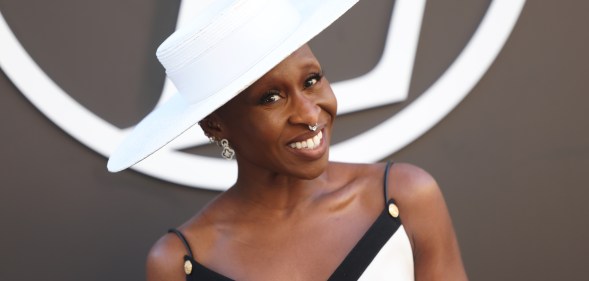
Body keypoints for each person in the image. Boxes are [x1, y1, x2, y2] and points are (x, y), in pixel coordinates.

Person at [107, 0, 467, 280]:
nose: (310, 115)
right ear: (215, 126)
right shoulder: (179, 261)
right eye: (271, 98)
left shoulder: (404, 196)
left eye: (311, 80)